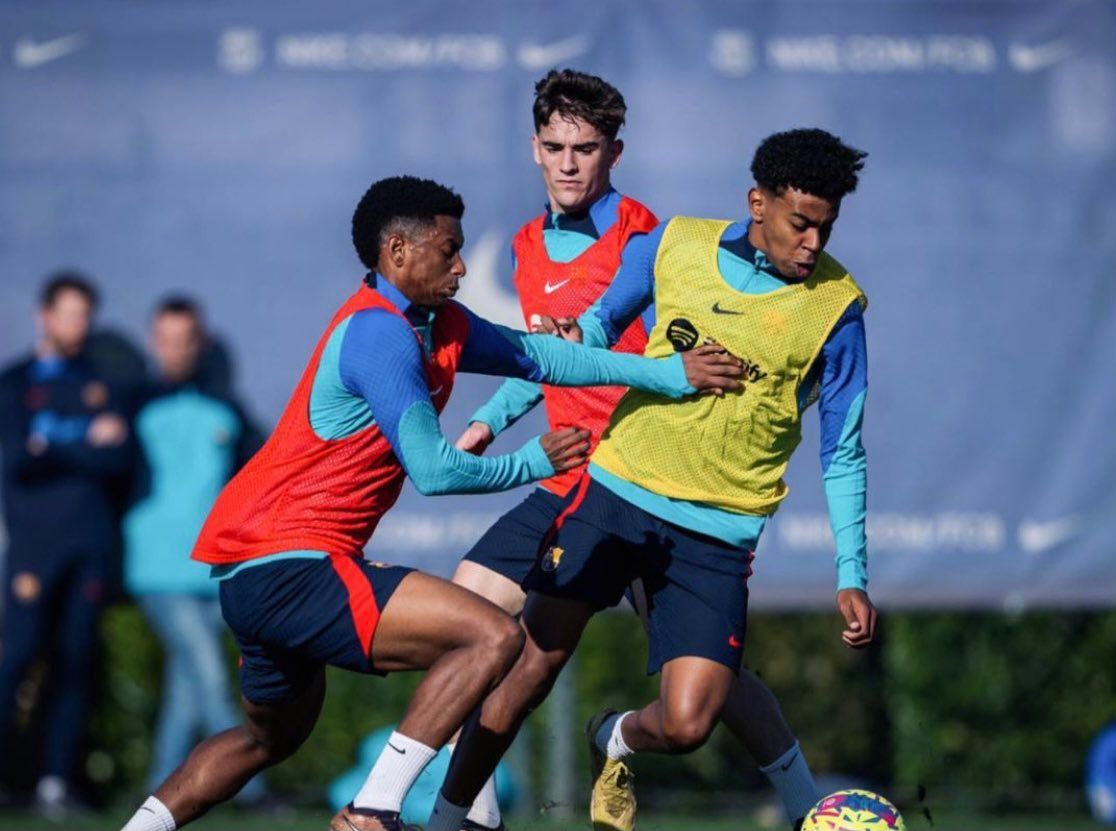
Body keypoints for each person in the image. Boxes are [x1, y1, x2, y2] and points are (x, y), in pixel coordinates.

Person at [117, 175, 744, 831]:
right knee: (492, 635)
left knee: (265, 741)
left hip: (254, 573)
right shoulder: (378, 334)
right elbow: (436, 472)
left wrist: (669, 374)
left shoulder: (435, 322)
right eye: (447, 250)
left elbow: (542, 357)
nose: (462, 265)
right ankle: (372, 807)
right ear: (396, 251)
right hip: (292, 561)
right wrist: (533, 461)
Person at [384, 70, 820, 831]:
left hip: (636, 476)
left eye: (585, 148)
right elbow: (547, 360)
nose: (568, 163)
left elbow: (601, 345)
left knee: (707, 688)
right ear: (533, 148)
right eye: (554, 146)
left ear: (614, 152)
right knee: (472, 620)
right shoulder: (523, 243)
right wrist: (489, 419)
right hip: (566, 472)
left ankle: (807, 803)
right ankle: (464, 809)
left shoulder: (649, 238)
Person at [122, 297, 268, 801]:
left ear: (200, 343)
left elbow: (260, 473)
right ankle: (252, 790)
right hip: (158, 569)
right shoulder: (130, 404)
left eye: (185, 339)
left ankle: (160, 788)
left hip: (213, 567)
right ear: (151, 342)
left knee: (188, 686)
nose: (176, 350)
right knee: (207, 672)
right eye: (166, 339)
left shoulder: (228, 409)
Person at [0, 272, 131, 819]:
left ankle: (56, 782)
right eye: (68, 314)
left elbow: (117, 459)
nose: (77, 325)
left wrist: (53, 443)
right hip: (33, 549)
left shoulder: (100, 381)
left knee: (74, 664)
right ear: (44, 316)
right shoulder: (14, 383)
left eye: (85, 315)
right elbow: (19, 460)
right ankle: (10, 776)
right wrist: (83, 441)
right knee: (18, 659)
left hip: (89, 546)